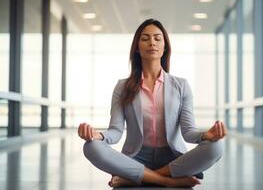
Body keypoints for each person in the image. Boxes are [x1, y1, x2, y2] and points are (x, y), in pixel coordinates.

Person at [78, 18, 227, 188]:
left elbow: (188, 132)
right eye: (145, 38)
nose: (152, 43)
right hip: (136, 157)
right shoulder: (123, 86)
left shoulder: (181, 86)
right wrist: (99, 136)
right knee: (91, 147)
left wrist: (206, 136)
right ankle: (165, 180)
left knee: (216, 148)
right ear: (137, 47)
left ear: (165, 47)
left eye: (157, 38)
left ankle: (137, 177)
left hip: (172, 157)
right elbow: (116, 132)